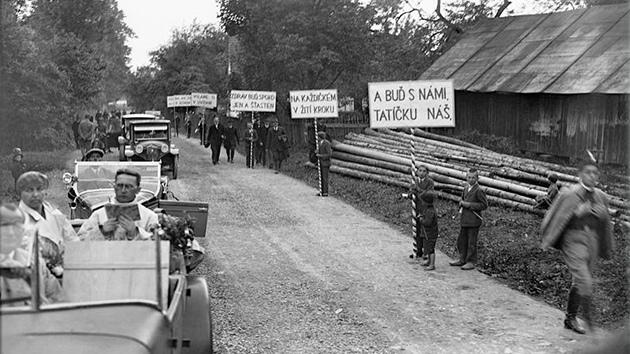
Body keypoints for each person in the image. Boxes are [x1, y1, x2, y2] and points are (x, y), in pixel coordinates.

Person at [541, 152, 613, 335]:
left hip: (591, 241)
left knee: (580, 280)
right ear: (580, 174)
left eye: (595, 173)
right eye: (588, 172)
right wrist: (576, 213)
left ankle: (570, 317)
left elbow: (606, 223)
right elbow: (553, 217)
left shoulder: (602, 197)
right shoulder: (569, 194)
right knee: (585, 280)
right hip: (573, 240)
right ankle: (590, 321)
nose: (591, 176)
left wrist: (603, 215)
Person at [1, 203, 65, 307]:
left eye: (16, 226)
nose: (11, 232)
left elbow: (58, 302)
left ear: (22, 232)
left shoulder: (37, 264)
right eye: (4, 225)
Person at [17, 171, 79, 276]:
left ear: (45, 191)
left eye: (40, 189)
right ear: (20, 193)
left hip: (67, 273)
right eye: (29, 190)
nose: (35, 194)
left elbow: (73, 241)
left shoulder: (54, 213)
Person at [78, 169, 159, 241]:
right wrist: (102, 231)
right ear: (114, 187)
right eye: (119, 186)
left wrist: (135, 232)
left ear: (138, 190)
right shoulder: (99, 215)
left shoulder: (149, 217)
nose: (123, 190)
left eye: (128, 187)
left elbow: (158, 247)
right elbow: (80, 241)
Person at [450, 168, 488, 270]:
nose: (471, 179)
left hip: (474, 220)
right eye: (469, 177)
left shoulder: (479, 190)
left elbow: (484, 205)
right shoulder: (466, 188)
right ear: (466, 177)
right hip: (464, 219)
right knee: (462, 240)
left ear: (477, 178)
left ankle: (471, 261)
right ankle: (462, 258)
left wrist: (469, 204)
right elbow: (462, 199)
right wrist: (461, 203)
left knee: (472, 241)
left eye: (473, 177)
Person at [404, 165, 435, 259]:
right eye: (420, 171)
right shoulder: (415, 181)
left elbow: (429, 194)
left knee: (424, 231)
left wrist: (419, 190)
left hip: (425, 208)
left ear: (427, 173)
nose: (421, 173)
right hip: (416, 208)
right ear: (417, 172)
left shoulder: (430, 182)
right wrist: (411, 194)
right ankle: (418, 249)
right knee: (417, 230)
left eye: (424, 171)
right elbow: (410, 193)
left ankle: (426, 252)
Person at [417, 192, 439, 271]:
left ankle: (432, 264)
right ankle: (429, 261)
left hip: (430, 233)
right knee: (427, 247)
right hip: (427, 233)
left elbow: (428, 223)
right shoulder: (428, 209)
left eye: (423, 201)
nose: (422, 202)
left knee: (430, 249)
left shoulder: (430, 211)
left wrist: (421, 220)